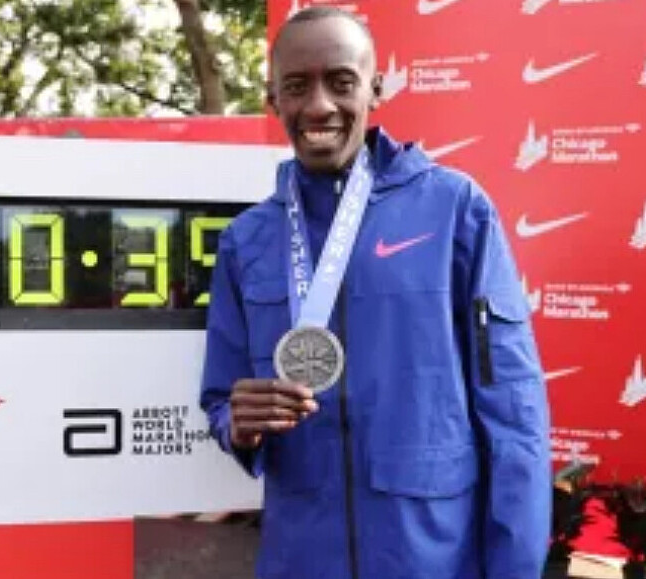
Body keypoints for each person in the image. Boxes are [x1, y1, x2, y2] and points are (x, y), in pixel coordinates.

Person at [199, 7, 551, 579]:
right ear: (273, 99)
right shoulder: (247, 241)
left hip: (432, 557)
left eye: (341, 83)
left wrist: (516, 568)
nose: (319, 106)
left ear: (376, 89)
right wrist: (237, 425)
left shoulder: (455, 210)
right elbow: (220, 397)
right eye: (297, 86)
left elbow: (513, 413)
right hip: (301, 559)